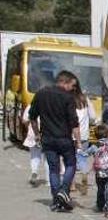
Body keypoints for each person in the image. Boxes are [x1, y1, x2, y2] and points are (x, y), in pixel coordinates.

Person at [28, 70, 81, 211]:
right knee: (71, 165)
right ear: (63, 82)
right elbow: (74, 122)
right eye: (72, 85)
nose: (73, 88)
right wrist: (79, 141)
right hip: (64, 139)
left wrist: (37, 134)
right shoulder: (68, 97)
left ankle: (56, 200)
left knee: (53, 169)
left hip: (47, 138)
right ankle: (63, 191)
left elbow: (32, 116)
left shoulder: (41, 94)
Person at [73, 80, 96, 195]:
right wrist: (88, 123)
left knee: (70, 160)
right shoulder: (85, 100)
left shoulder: (67, 99)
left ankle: (71, 184)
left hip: (70, 134)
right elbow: (93, 116)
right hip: (84, 135)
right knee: (82, 157)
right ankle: (84, 173)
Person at [21, 104, 47, 186]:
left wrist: (28, 127)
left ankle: (34, 172)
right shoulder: (50, 104)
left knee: (34, 156)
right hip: (47, 133)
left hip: (33, 134)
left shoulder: (30, 106)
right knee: (47, 158)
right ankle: (49, 180)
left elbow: (24, 120)